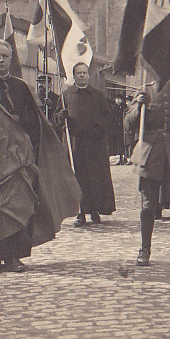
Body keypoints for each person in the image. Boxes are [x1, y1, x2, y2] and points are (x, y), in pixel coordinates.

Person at [0, 39, 81, 274]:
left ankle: (13, 257)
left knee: (18, 207)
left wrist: (28, 150)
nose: (0, 61)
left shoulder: (21, 87)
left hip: (17, 159)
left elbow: (34, 124)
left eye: (4, 56)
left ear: (11, 58)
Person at [125, 78, 170, 274]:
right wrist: (137, 108)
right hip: (150, 154)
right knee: (148, 205)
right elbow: (128, 124)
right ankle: (144, 250)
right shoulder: (144, 90)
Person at [58, 62, 117, 227]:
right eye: (79, 73)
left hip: (94, 144)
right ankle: (80, 212)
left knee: (95, 178)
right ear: (74, 75)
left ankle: (95, 210)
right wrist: (61, 117)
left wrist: (98, 128)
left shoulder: (97, 95)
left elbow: (107, 116)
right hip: (75, 144)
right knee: (79, 178)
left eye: (84, 73)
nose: (82, 75)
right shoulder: (66, 95)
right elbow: (57, 119)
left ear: (88, 76)